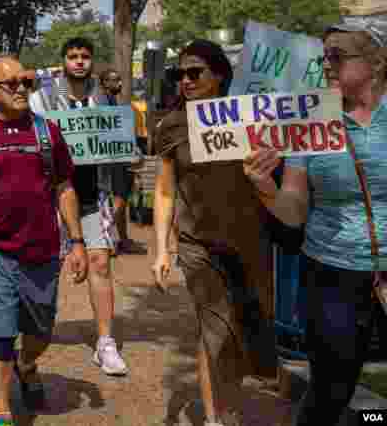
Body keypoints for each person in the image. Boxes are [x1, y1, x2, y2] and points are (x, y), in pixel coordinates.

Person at [243, 21, 387, 426]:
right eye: (324, 56)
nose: (326, 64)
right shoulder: (312, 122)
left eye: (337, 56)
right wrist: (262, 186)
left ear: (375, 63)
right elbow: (294, 210)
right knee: (329, 391)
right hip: (331, 275)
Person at [0, 55, 88, 426]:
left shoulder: (48, 133)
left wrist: (77, 241)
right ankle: (0, 411)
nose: (22, 90)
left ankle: (27, 365)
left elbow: (64, 186)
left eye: (26, 82)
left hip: (41, 250)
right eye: (11, 84)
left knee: (40, 331)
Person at [152, 39, 278, 426]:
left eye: (195, 73)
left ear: (219, 74)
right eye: (180, 74)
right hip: (198, 246)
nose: (186, 80)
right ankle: (213, 418)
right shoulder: (172, 125)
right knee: (215, 328)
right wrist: (161, 249)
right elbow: (163, 189)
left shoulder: (252, 117)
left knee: (249, 325)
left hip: (251, 242)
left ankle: (233, 406)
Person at [28, 38, 129, 376]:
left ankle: (105, 343)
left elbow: (119, 151)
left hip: (94, 193)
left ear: (92, 62)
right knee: (45, 269)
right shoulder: (41, 100)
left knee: (100, 264)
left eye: (85, 56)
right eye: (72, 56)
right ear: (63, 61)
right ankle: (29, 343)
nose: (79, 62)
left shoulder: (106, 99)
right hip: (51, 197)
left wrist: (119, 196)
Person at [98, 67, 141, 253]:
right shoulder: (102, 104)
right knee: (120, 199)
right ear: (105, 83)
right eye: (115, 80)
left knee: (121, 198)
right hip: (114, 158)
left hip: (120, 156)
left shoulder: (113, 102)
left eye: (119, 79)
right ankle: (103, 237)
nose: (120, 84)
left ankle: (123, 239)